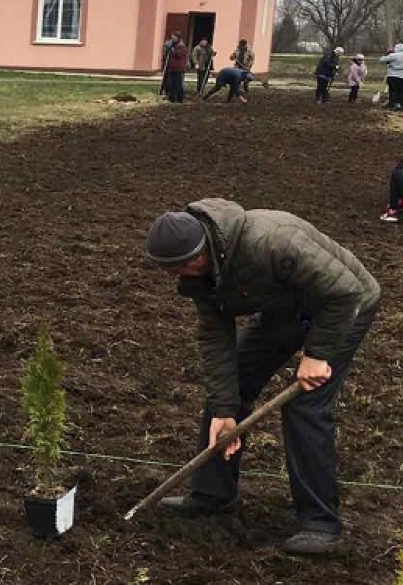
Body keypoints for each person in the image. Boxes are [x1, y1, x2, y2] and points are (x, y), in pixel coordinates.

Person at [143, 198, 380, 556]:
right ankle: (212, 494)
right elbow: (215, 338)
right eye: (173, 271)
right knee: (228, 386)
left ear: (201, 249)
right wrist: (225, 410)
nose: (181, 276)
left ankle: (320, 523)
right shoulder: (199, 274)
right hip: (284, 308)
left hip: (344, 306)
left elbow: (345, 292)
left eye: (184, 267)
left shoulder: (271, 240)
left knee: (306, 405)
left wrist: (316, 355)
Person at [165, 36, 189, 103]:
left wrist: (173, 50)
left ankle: (179, 99)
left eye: (174, 38)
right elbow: (167, 54)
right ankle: (171, 98)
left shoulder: (182, 47)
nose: (172, 39)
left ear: (178, 38)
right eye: (172, 38)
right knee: (171, 83)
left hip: (179, 68)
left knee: (179, 84)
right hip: (172, 68)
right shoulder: (172, 45)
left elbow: (179, 55)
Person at [379, 44, 403, 111]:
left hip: (393, 75)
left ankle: (393, 104)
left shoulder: (393, 55)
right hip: (402, 76)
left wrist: (387, 53)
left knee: (393, 90)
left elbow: (381, 60)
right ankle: (400, 104)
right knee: (401, 91)